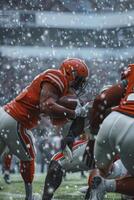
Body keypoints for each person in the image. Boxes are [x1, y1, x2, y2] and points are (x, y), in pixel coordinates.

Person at [0, 58, 90, 200]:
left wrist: (70, 110)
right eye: (79, 80)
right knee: (29, 157)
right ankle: (29, 197)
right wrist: (74, 112)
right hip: (16, 119)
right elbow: (47, 106)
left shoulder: (56, 81)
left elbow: (52, 113)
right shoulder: (57, 77)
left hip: (6, 115)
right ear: (70, 73)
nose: (80, 85)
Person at [87, 64, 134, 200]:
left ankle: (93, 192)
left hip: (112, 121)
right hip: (131, 128)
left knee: (101, 170)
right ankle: (106, 186)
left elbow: (100, 100)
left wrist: (92, 138)